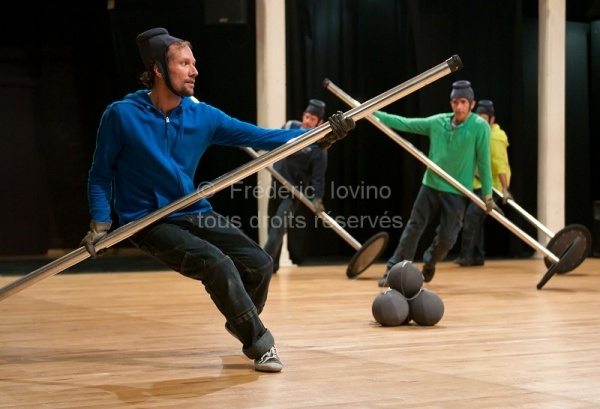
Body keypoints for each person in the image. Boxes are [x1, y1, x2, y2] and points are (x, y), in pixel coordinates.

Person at [79, 27, 355, 373]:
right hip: (147, 221)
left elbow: (265, 137)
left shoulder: (203, 116)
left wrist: (318, 138)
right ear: (158, 69)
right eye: (184, 63)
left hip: (192, 210)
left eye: (194, 63)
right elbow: (100, 174)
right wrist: (101, 221)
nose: (194, 71)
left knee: (259, 263)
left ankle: (240, 318)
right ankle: (259, 342)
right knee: (218, 264)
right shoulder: (121, 115)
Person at [376, 80, 499, 287]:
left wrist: (487, 195)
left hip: (457, 191)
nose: (458, 107)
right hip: (431, 184)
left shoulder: (480, 127)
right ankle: (394, 270)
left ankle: (430, 260)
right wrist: (372, 113)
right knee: (414, 227)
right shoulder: (438, 122)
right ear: (450, 103)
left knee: (447, 239)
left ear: (471, 103)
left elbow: (484, 163)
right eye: (454, 102)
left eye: (462, 102)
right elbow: (404, 123)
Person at [263, 99, 328, 273]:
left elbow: (318, 177)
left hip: (292, 193)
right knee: (271, 226)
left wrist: (317, 198)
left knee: (278, 227)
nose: (308, 121)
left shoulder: (319, 146)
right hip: (275, 184)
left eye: (312, 119)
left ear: (320, 123)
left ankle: (260, 265)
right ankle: (272, 265)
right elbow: (273, 141)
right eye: (307, 116)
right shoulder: (290, 126)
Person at [455, 100, 512, 266]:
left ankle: (466, 256)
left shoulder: (495, 138)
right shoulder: (479, 131)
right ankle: (478, 256)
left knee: (472, 217)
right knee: (477, 222)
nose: (480, 121)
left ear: (492, 120)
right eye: (478, 117)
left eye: (484, 118)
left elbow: (500, 163)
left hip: (492, 186)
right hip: (478, 184)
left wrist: (505, 189)